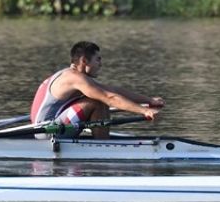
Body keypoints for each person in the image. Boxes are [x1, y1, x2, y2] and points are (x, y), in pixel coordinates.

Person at [30, 41, 162, 139]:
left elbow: (113, 90)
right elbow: (110, 98)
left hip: (48, 127)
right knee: (98, 102)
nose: (101, 64)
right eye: (97, 59)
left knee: (99, 96)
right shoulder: (75, 78)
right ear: (84, 61)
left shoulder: (72, 75)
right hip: (47, 132)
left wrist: (149, 101)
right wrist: (144, 111)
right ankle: (103, 146)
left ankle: (101, 141)